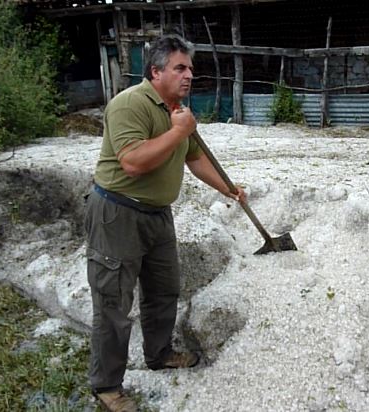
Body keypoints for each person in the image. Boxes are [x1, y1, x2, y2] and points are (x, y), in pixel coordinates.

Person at [84, 34, 246, 412]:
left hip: (158, 215)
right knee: (113, 303)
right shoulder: (129, 104)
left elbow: (193, 157)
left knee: (163, 290)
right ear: (155, 71)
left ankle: (158, 354)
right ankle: (107, 386)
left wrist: (228, 188)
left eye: (190, 68)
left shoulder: (178, 111)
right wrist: (178, 131)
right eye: (180, 68)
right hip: (117, 213)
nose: (189, 75)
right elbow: (133, 162)